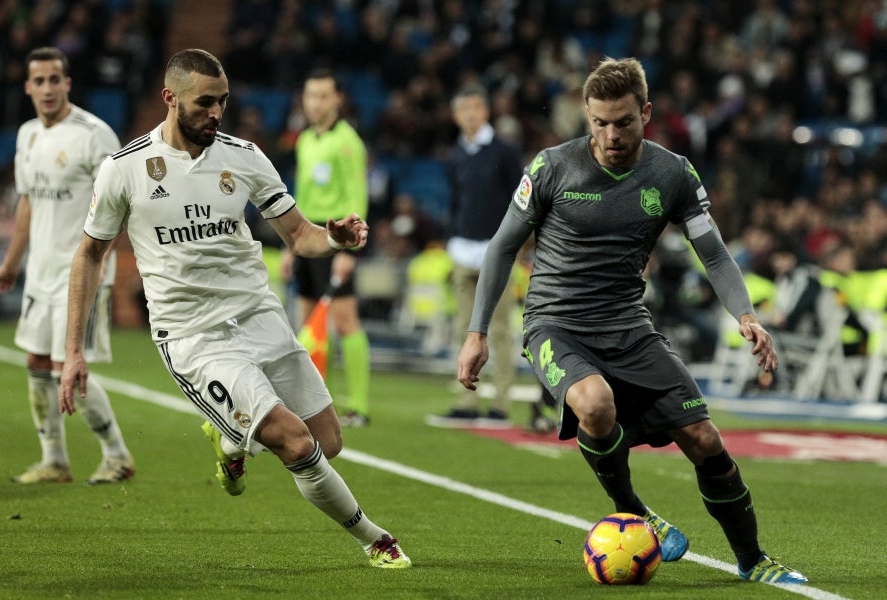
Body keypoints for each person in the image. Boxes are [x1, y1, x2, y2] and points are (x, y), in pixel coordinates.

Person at [457, 57, 807, 584]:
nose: (611, 135)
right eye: (599, 123)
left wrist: (745, 314)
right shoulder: (551, 167)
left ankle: (753, 559)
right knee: (595, 404)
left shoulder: (673, 173)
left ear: (645, 113)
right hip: (555, 322)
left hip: (627, 323)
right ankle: (635, 512)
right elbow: (503, 246)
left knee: (704, 438)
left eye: (622, 122)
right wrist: (477, 332)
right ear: (586, 116)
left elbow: (713, 254)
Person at [59, 49, 410, 569]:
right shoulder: (125, 168)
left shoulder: (243, 156)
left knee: (328, 441)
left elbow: (300, 235)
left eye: (222, 101)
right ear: (170, 98)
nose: (216, 113)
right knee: (296, 444)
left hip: (259, 317)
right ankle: (375, 539)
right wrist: (74, 351)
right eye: (205, 102)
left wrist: (335, 238)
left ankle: (229, 441)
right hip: (194, 337)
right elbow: (90, 254)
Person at [0, 46, 134, 485]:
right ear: (28, 87)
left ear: (67, 84)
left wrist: (103, 263)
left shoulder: (94, 136)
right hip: (41, 271)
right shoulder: (28, 135)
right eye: (40, 81)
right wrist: (12, 262)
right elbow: (28, 203)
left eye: (55, 79)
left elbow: (122, 204)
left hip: (82, 274)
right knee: (36, 360)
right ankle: (54, 460)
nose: (48, 88)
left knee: (66, 365)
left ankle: (117, 455)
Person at [427, 83, 523, 429]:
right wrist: (451, 238)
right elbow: (456, 201)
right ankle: (466, 401)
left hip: (496, 251)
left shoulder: (505, 152)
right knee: (463, 328)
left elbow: (521, 201)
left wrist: (514, 244)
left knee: (499, 329)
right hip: (462, 249)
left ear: (486, 111)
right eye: (463, 109)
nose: (469, 114)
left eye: (474, 107)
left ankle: (500, 405)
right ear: (455, 115)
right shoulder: (456, 154)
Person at [282, 68, 372, 427]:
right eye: (310, 95)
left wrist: (349, 250)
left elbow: (357, 195)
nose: (315, 103)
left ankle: (359, 407)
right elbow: (301, 196)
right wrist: (291, 244)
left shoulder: (348, 141)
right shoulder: (305, 140)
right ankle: (319, 403)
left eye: (322, 96)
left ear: (337, 99)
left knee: (345, 321)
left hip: (336, 235)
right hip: (308, 237)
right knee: (310, 323)